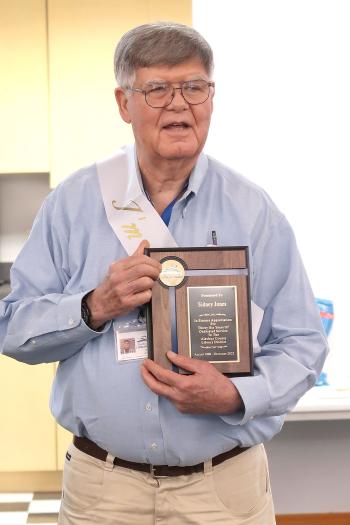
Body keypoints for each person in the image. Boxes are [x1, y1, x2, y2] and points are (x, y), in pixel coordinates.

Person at [0, 22, 327, 525]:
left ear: (211, 98)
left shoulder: (254, 211)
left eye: (194, 87)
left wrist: (236, 394)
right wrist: (94, 306)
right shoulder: (73, 203)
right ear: (123, 103)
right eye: (156, 89)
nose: (179, 104)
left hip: (224, 491)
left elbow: (303, 342)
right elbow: (14, 327)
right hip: (103, 490)